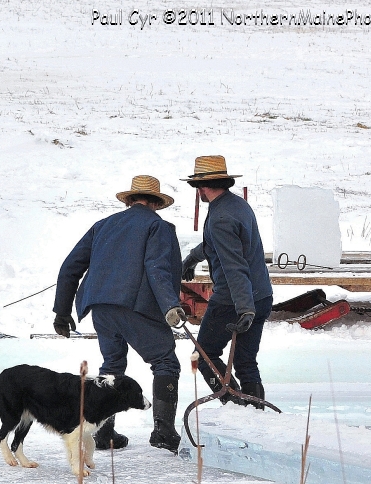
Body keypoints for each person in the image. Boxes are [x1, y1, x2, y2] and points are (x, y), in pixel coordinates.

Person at [52, 175, 187, 453]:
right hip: (134, 305)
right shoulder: (157, 226)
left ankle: (104, 433)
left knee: (112, 365)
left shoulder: (103, 226)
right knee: (165, 361)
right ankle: (163, 432)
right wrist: (170, 305)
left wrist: (62, 312)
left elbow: (70, 268)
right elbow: (157, 268)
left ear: (129, 201)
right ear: (156, 204)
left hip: (100, 306)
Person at [180, 156, 273, 405]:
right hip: (261, 294)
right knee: (245, 362)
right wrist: (192, 258)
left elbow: (234, 266)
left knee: (202, 356)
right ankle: (255, 417)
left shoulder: (220, 217)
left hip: (234, 300)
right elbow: (221, 244)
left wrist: (244, 309)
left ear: (202, 186)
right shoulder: (237, 205)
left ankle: (235, 407)